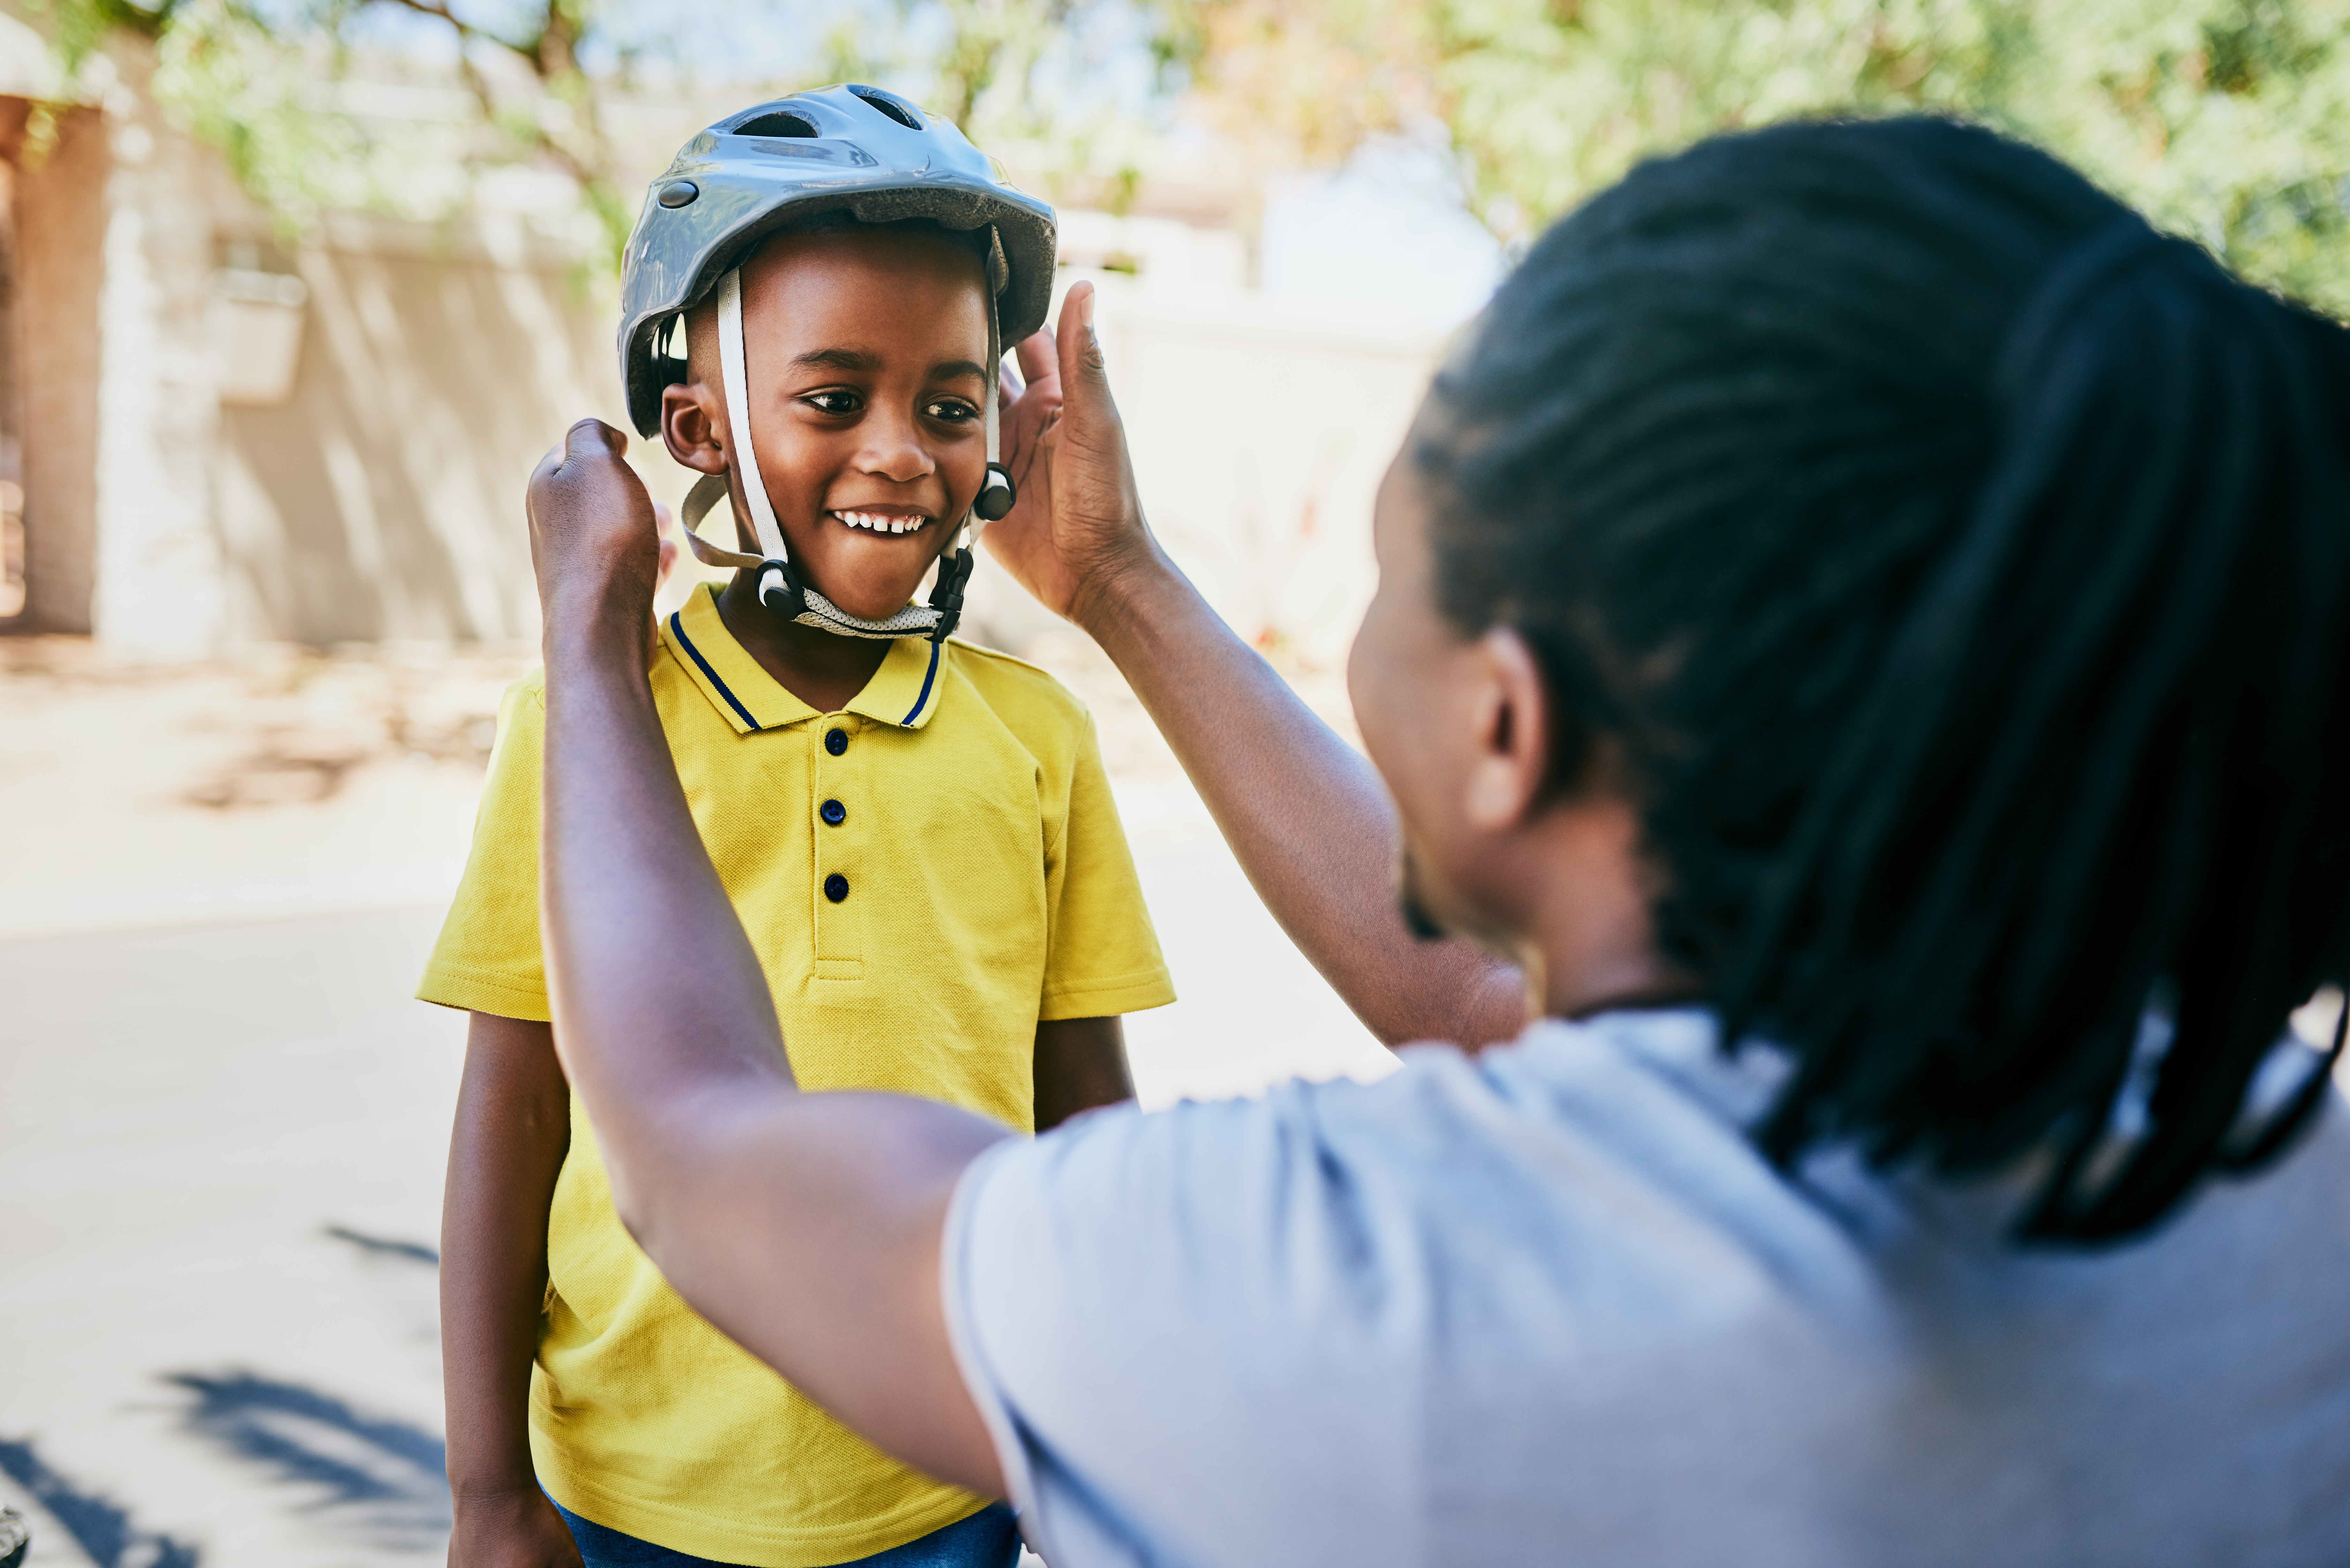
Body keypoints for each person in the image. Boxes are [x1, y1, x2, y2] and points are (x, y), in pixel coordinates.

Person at [517, 116, 2350, 1566]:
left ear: (1503, 722)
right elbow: (1502, 1009)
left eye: (1392, 575)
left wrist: (590, 642)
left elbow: (694, 1144)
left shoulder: (1346, 1296)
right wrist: (1125, 583)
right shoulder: (2273, 1170)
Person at [420, 86, 1174, 1568]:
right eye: (834, 399)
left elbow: (1086, 1107)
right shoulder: (588, 721)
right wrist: (487, 1491)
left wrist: (1104, 1439)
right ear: (699, 428)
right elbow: (511, 1115)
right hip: (627, 1493)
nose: (904, 451)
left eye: (950, 406)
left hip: (952, 1482)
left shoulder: (1037, 737)